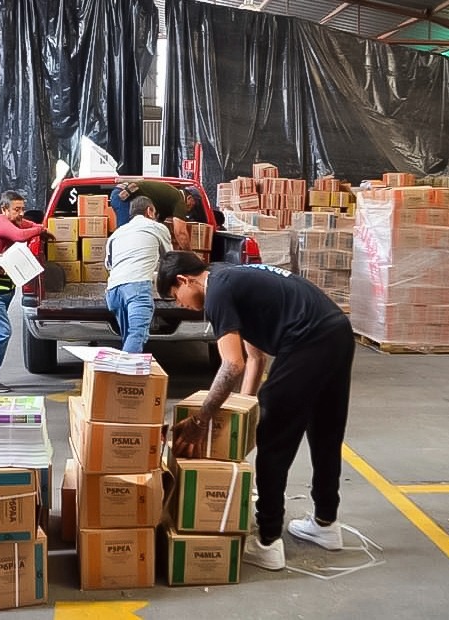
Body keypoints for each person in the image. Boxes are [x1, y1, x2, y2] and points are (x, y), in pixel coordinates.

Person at [156, 251, 354, 571]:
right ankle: (326, 523)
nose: (180, 304)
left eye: (175, 296)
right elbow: (254, 359)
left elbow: (231, 365)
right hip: (336, 331)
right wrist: (241, 413)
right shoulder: (227, 275)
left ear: (184, 280)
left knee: (274, 439)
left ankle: (267, 541)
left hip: (306, 341)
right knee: (325, 432)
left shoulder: (216, 293)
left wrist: (200, 419)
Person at [0, 190, 52, 393]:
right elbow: (20, 235)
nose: (21, 213)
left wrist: (41, 229)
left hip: (4, 288)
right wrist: (40, 231)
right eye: (16, 209)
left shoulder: (14, 220)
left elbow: (28, 225)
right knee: (2, 333)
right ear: (3, 209)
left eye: (22, 209)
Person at [104, 196, 172, 353]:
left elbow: (109, 265)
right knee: (136, 335)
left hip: (113, 291)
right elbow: (170, 259)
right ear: (149, 211)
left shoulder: (117, 233)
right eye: (154, 212)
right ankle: (123, 376)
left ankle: (123, 372)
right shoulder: (157, 227)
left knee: (129, 336)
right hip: (137, 289)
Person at [121, 180, 192, 249]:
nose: (193, 208)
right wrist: (191, 256)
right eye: (195, 203)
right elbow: (180, 233)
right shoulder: (180, 201)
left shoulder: (167, 201)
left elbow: (159, 226)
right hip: (124, 194)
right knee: (125, 237)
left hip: (128, 193)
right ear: (189, 198)